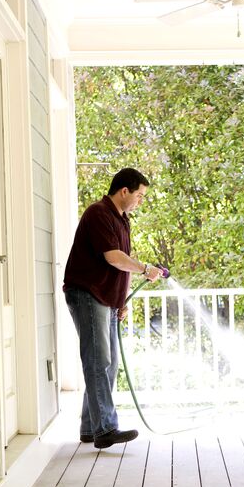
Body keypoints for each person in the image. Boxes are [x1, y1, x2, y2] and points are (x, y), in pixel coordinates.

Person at [63, 168, 163, 448]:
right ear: (124, 191)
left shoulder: (122, 220)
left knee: (108, 364)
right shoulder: (99, 214)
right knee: (98, 362)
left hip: (106, 299)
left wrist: (122, 301)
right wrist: (145, 268)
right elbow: (115, 258)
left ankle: (89, 427)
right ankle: (105, 429)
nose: (140, 201)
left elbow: (121, 266)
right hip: (87, 294)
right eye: (139, 196)